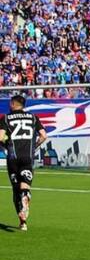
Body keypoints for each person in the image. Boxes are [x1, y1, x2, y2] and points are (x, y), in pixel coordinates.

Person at [0, 95, 47, 231]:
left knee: (16, 190)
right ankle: (25, 202)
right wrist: (35, 146)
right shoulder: (33, 117)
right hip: (28, 157)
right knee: (24, 186)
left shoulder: (6, 118)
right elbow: (44, 135)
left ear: (13, 104)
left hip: (13, 158)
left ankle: (23, 221)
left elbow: (0, 137)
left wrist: (5, 145)